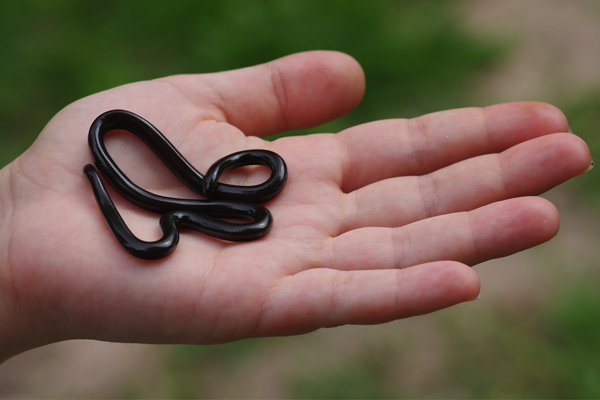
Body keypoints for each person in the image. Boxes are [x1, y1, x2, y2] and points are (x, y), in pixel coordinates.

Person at [0, 51, 592, 362]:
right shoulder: (156, 173)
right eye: (100, 180)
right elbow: (180, 207)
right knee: (180, 203)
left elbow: (195, 202)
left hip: (213, 200)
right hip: (211, 200)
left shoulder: (204, 198)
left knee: (183, 202)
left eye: (99, 180)